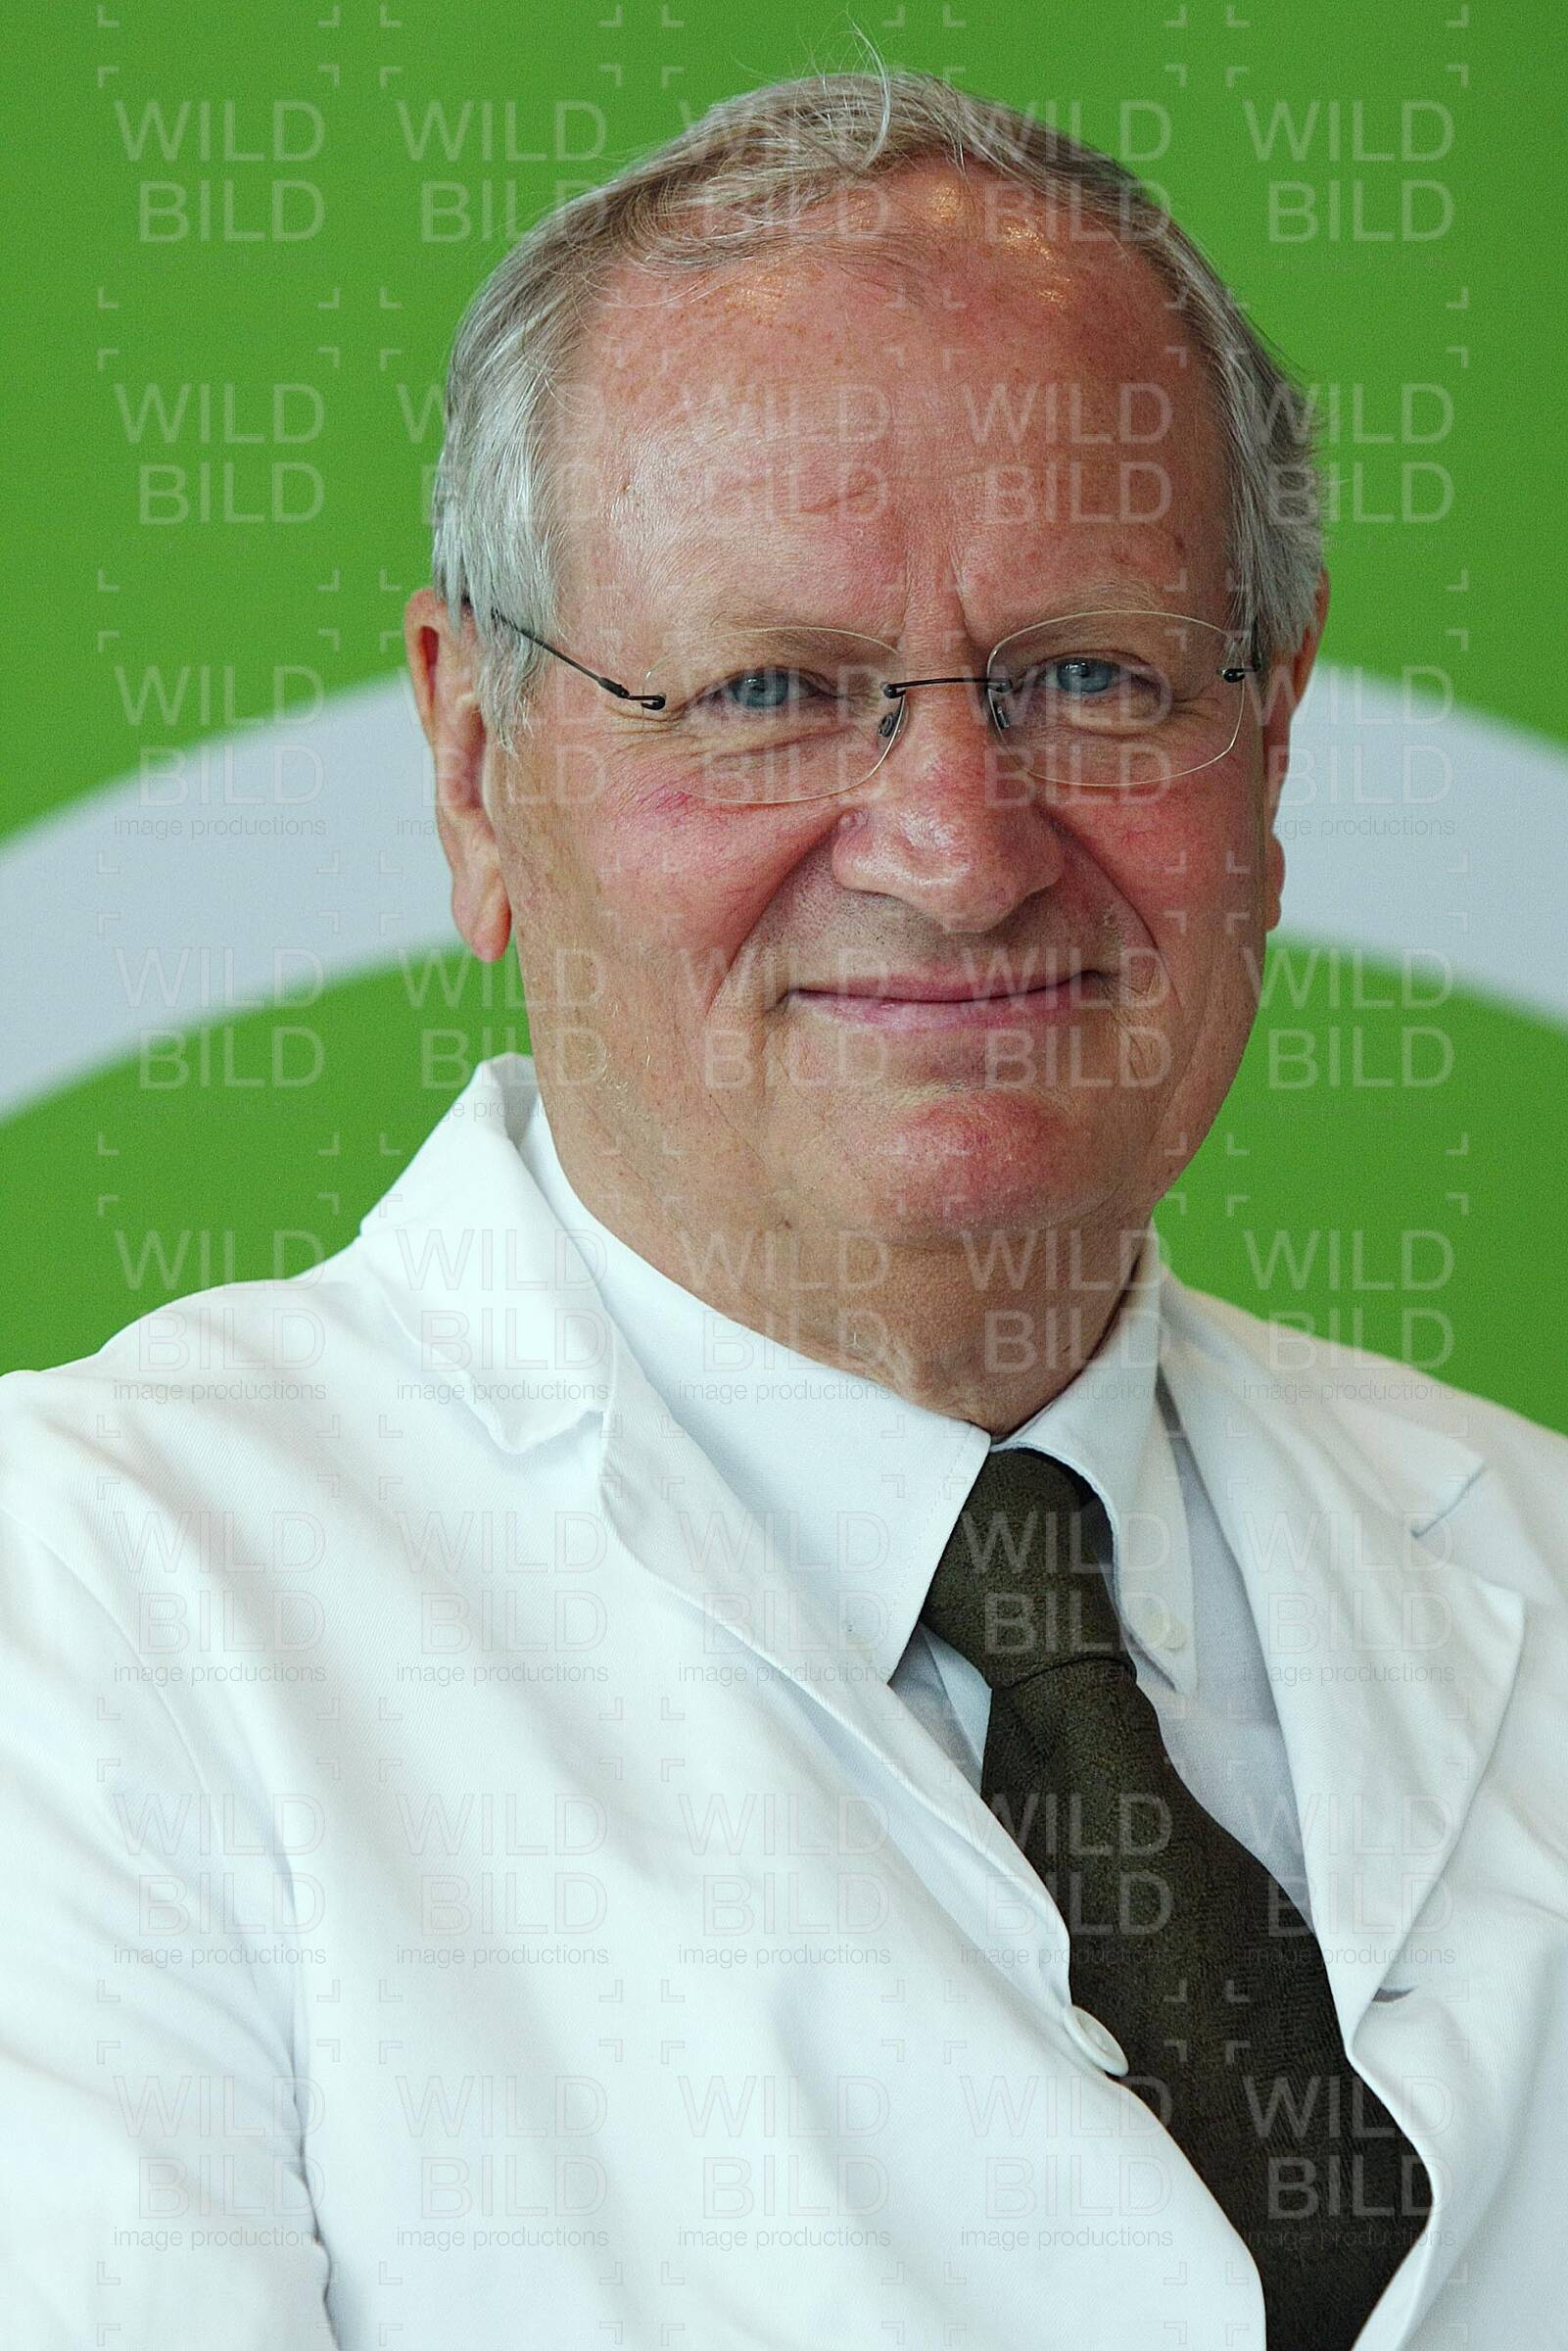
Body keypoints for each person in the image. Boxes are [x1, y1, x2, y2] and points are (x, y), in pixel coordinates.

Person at [2, 64, 1563, 2351]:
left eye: (1089, 677)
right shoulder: (91, 1620)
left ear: (1276, 732)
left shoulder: (1537, 1551)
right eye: (771, 692)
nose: (958, 845)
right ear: (474, 766)